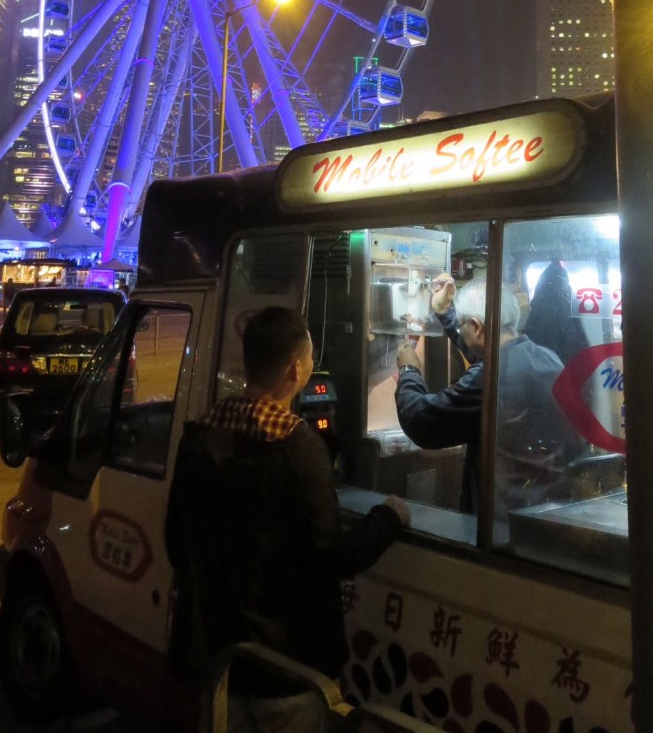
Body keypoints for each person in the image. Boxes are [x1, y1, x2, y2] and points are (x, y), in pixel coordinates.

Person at [165, 304, 410, 731]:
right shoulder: (297, 448)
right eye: (312, 358)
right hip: (288, 672)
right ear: (296, 370)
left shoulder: (200, 437)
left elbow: (176, 541)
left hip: (221, 665)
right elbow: (329, 554)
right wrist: (387, 518)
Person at [395, 275, 580, 518]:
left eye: (463, 327)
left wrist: (409, 371)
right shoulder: (546, 358)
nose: (462, 332)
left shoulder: (488, 379)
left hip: (499, 521)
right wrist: (446, 313)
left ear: (476, 326)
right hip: (543, 511)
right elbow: (491, 359)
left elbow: (421, 420)